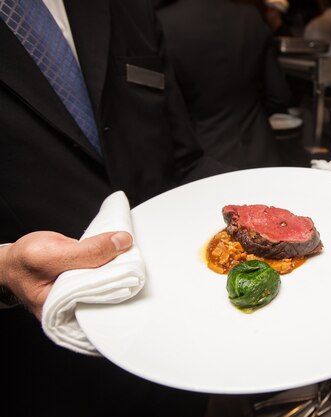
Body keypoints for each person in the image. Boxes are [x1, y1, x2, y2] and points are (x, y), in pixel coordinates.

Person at [0, 0, 232, 416]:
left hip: (180, 335)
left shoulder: (126, 7)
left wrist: (288, 197)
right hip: (39, 363)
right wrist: (3, 267)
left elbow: (185, 159)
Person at [156, 0, 291, 169]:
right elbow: (279, 96)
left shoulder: (163, 22)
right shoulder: (250, 16)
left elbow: (168, 111)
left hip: (205, 161)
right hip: (263, 153)